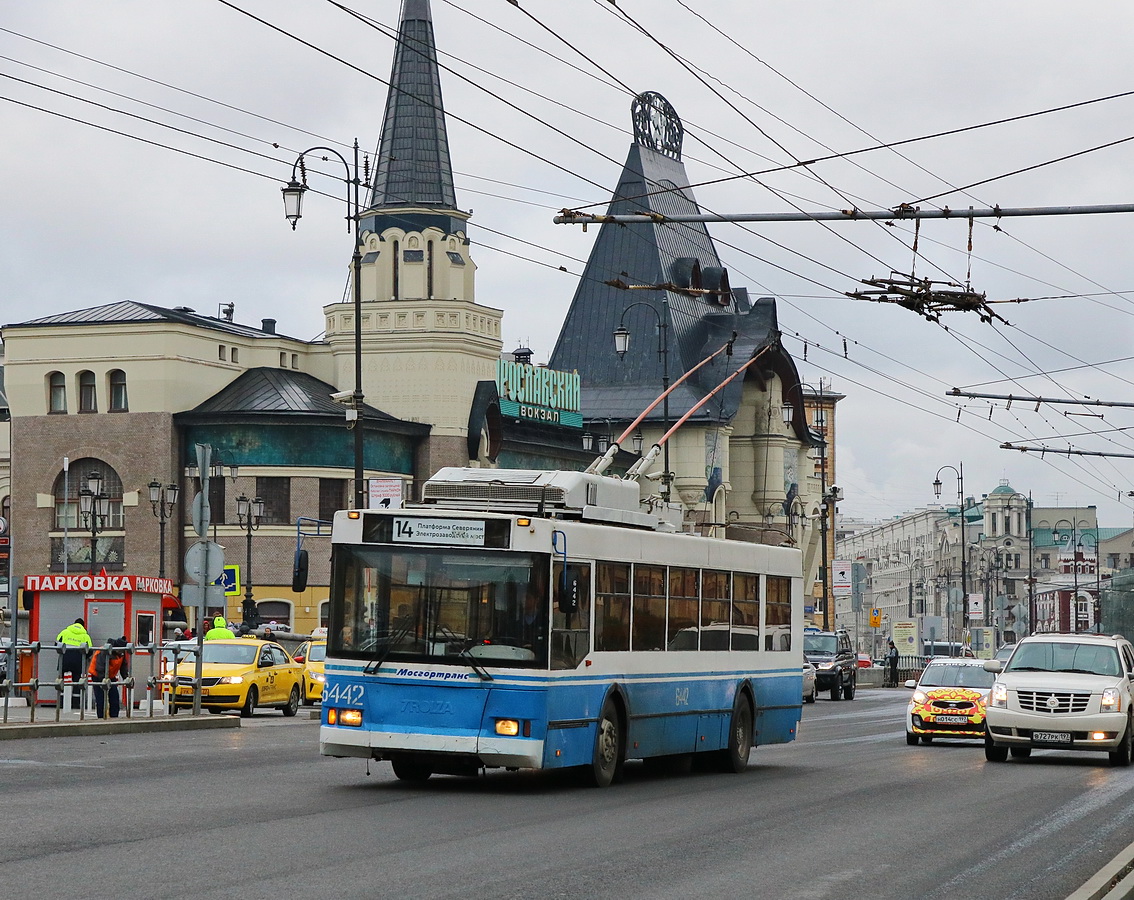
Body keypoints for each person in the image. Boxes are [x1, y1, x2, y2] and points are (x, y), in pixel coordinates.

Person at [89, 638, 130, 719]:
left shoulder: (121, 653)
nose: (121, 653)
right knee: (101, 699)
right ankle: (101, 718)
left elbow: (123, 666)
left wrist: (126, 678)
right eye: (120, 651)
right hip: (98, 676)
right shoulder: (104, 651)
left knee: (114, 699)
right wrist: (104, 681)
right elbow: (100, 667)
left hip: (111, 676)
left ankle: (114, 717)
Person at [56, 617, 92, 707]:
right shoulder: (85, 636)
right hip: (78, 661)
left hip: (64, 659)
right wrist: (83, 657)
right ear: (83, 626)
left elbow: (56, 644)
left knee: (62, 680)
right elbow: (90, 650)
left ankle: (62, 702)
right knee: (77, 682)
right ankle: (75, 703)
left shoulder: (65, 632)